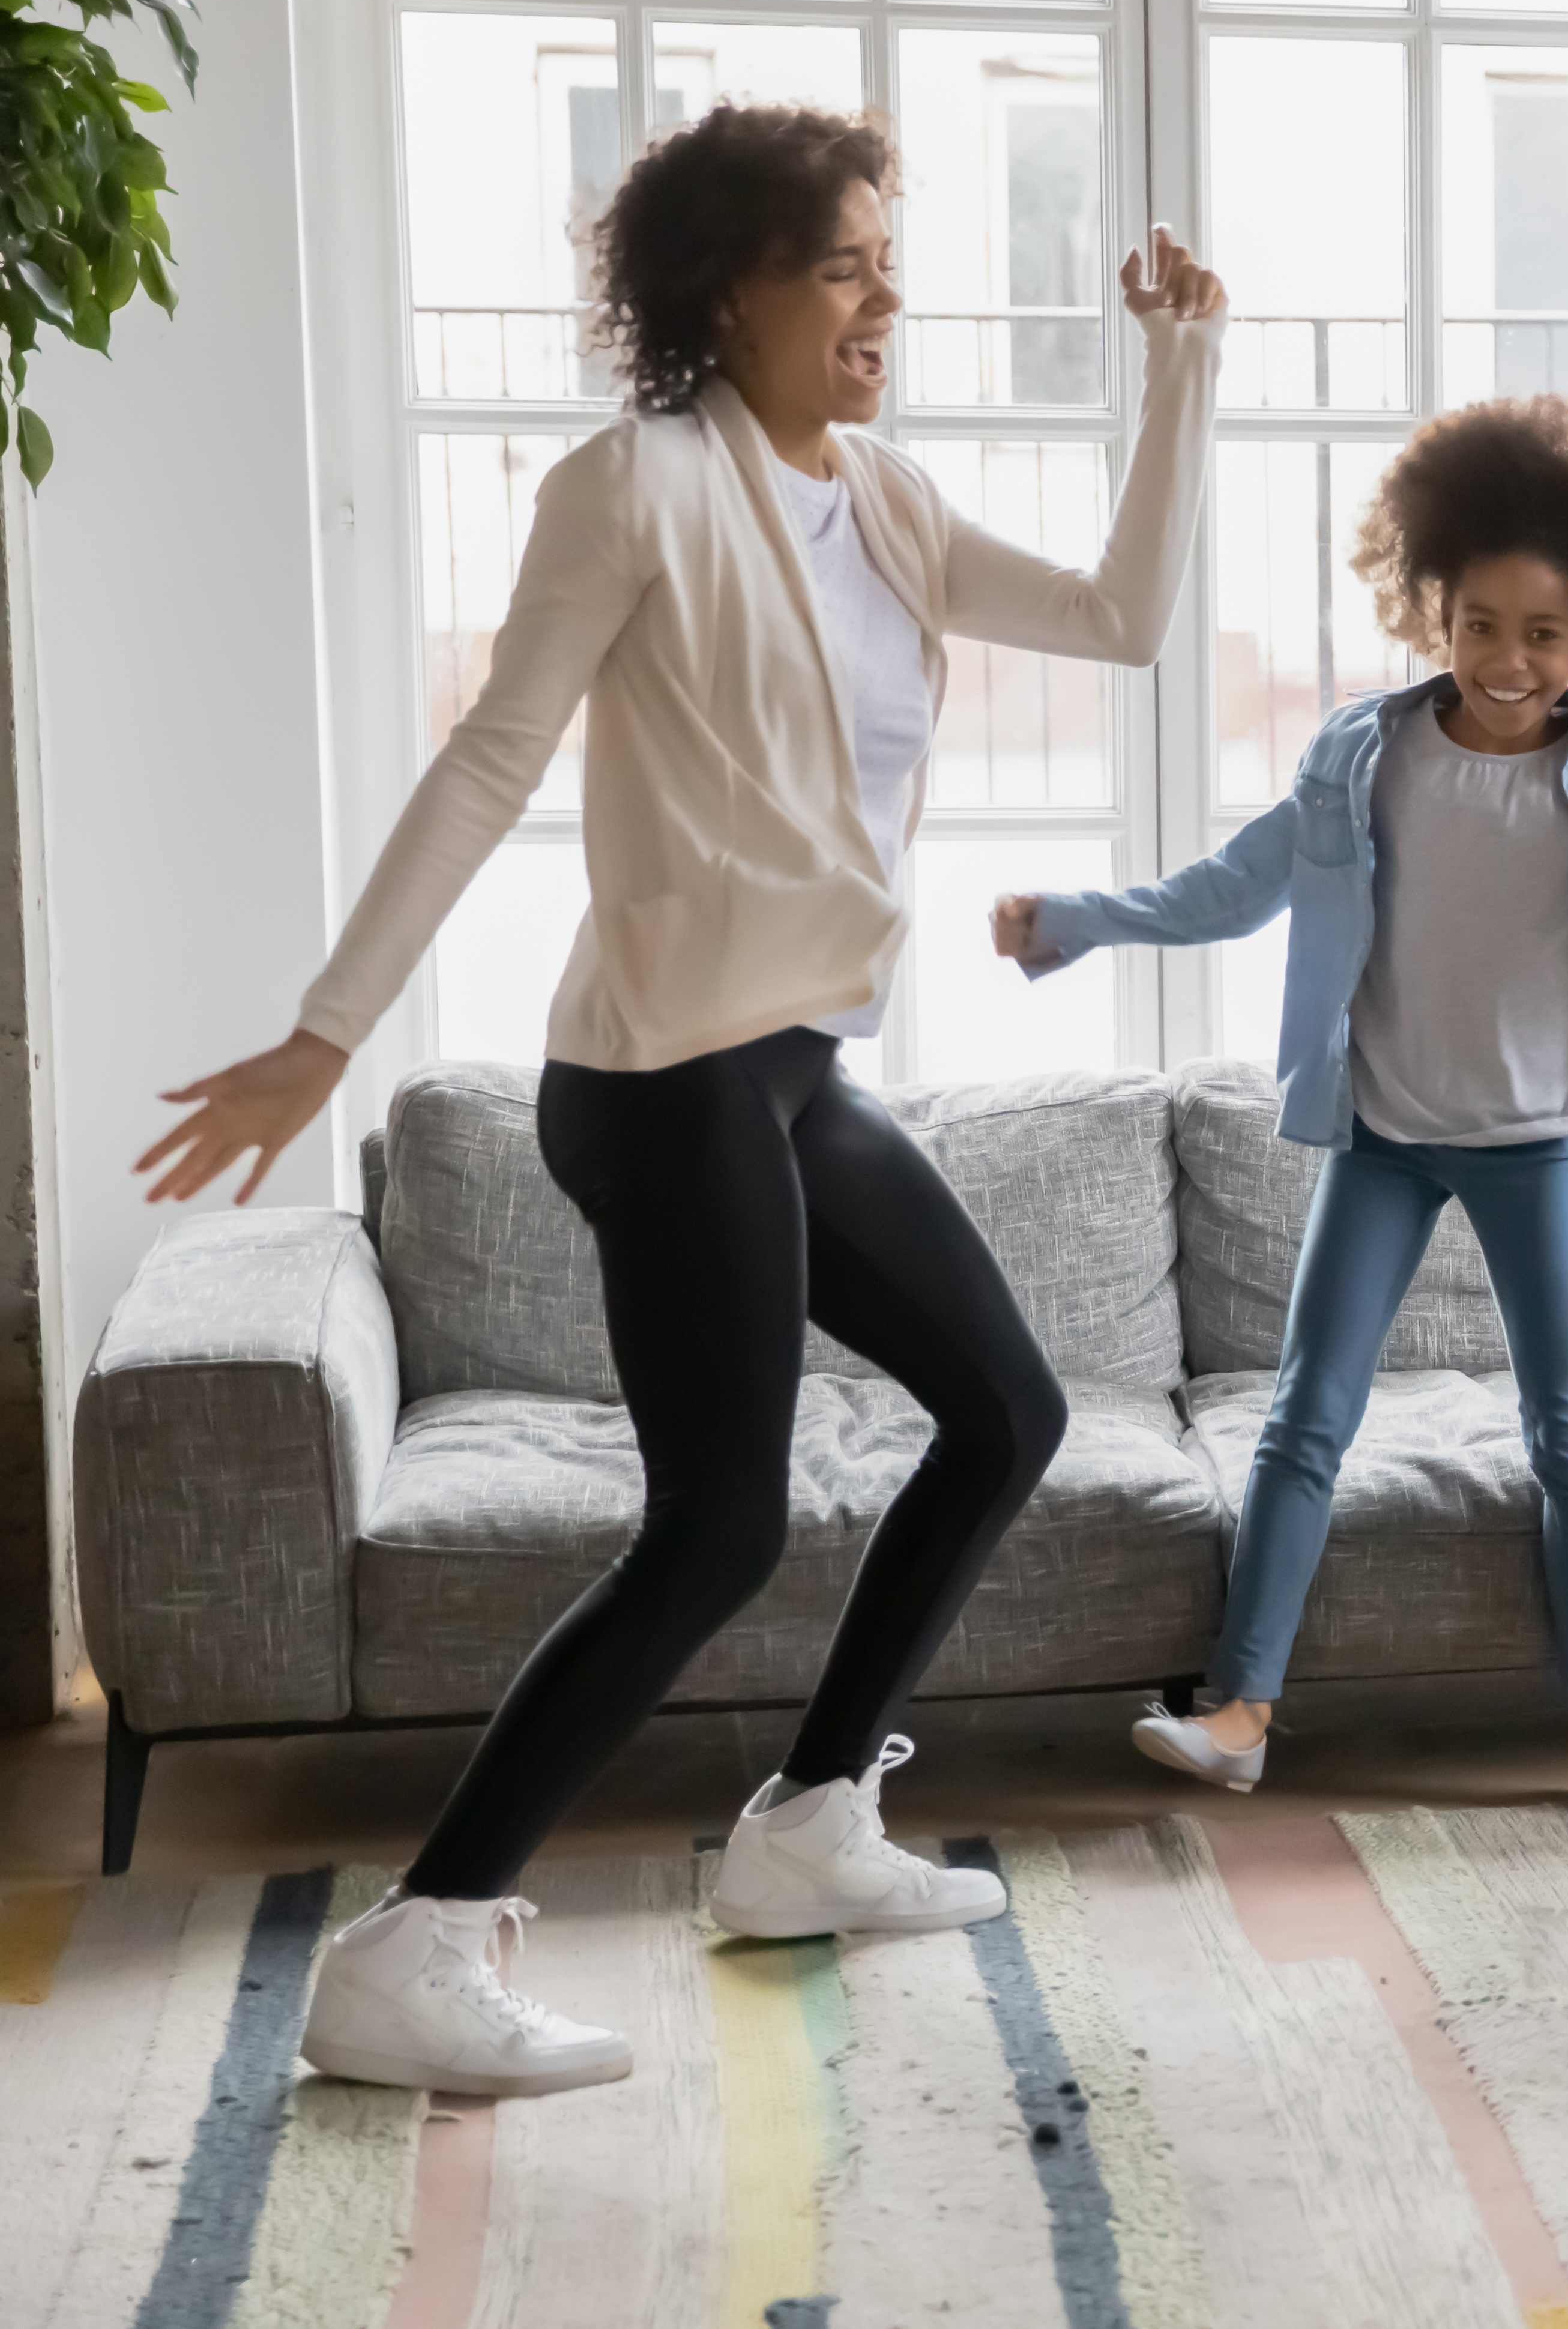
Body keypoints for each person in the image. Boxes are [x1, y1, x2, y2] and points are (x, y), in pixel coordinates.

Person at [136, 104, 1226, 2094]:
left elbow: (1122, 619)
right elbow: (487, 759)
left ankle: (807, 1825)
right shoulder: (630, 485)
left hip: (789, 1072)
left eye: (887, 261)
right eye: (843, 265)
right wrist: (325, 1025)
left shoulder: (876, 497)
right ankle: (417, 1941)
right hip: (660, 1082)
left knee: (1006, 1411)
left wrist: (1183, 371)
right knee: (714, 1526)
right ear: (724, 291)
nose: (884, 296)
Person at [992, 397, 1568, 1828]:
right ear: (1434, 613)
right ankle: (1239, 1709)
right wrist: (1074, 921)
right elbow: (1228, 888)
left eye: (1545, 631)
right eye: (1482, 623)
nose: (1511, 658)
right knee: (1302, 1419)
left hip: (1539, 1144)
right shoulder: (1365, 757)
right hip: (1388, 1138)